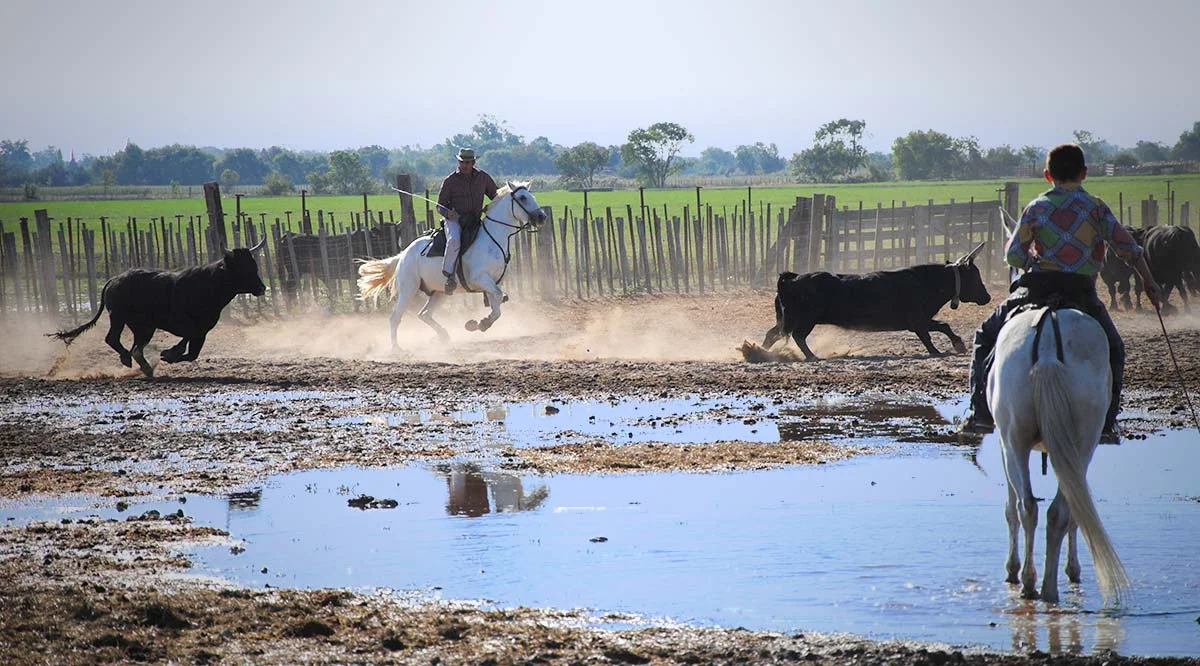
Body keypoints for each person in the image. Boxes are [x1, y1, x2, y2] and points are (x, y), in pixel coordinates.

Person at [958, 143, 1161, 443]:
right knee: (1115, 348)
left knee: (985, 336)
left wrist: (1033, 262)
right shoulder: (1096, 207)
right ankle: (1107, 423)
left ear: (1046, 175)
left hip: (1035, 289)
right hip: (1081, 292)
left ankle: (980, 416)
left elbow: (1013, 256)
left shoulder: (1036, 207)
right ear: (1084, 173)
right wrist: (1149, 282)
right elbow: (1128, 249)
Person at [435, 147, 498, 293]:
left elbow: (495, 195)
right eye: (462, 162)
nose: (464, 165)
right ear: (458, 162)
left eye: (468, 162)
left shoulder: (483, 178)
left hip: (474, 220)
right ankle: (449, 276)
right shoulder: (450, 181)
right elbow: (440, 206)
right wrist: (447, 213)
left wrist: (489, 207)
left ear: (474, 162)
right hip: (454, 220)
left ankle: (489, 280)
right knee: (454, 241)